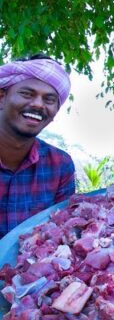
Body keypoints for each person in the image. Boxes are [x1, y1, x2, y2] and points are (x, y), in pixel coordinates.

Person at [0, 54, 76, 239]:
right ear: (1, 98)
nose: (38, 105)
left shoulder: (60, 164)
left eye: (49, 100)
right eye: (27, 94)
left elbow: (61, 232)